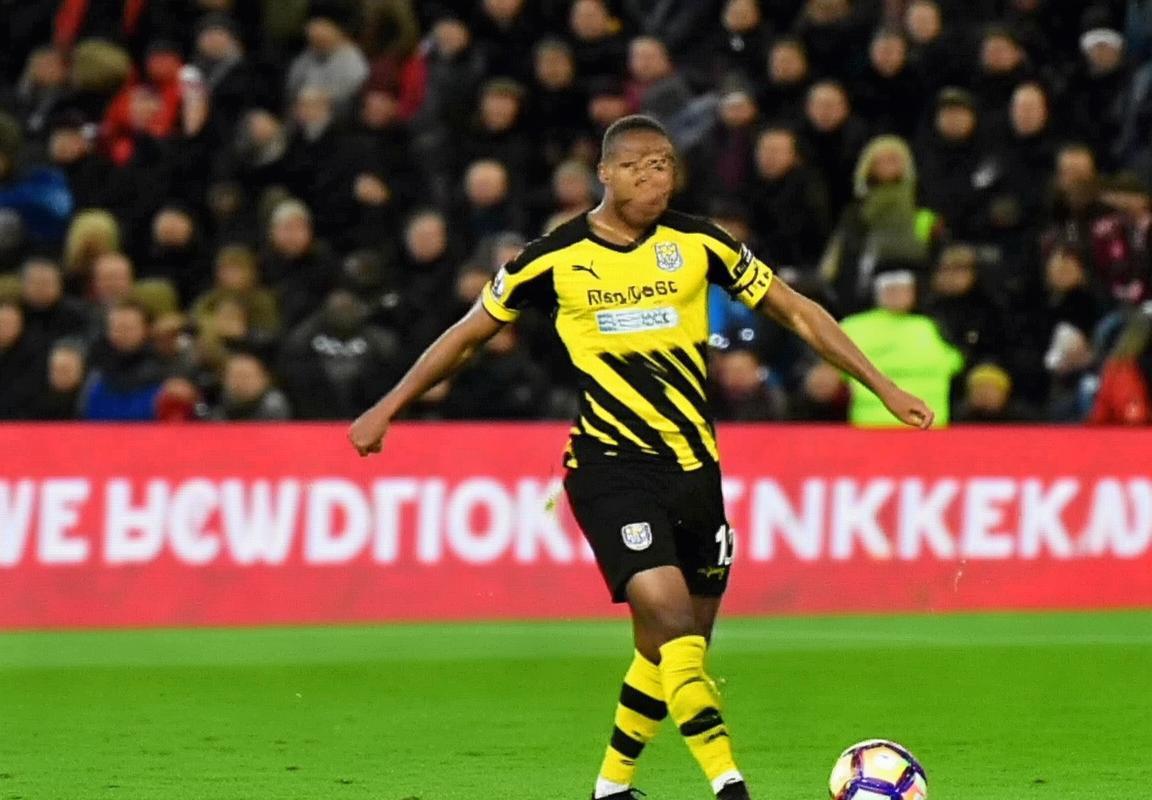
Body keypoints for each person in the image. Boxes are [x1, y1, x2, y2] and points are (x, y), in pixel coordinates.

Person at [348, 115, 934, 800]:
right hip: (609, 465)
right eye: (636, 165)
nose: (653, 178)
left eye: (663, 165)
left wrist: (882, 385)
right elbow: (468, 333)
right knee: (672, 621)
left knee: (672, 649)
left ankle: (611, 787)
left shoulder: (700, 243)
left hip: (694, 468)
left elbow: (796, 310)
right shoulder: (553, 257)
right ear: (604, 173)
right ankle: (731, 786)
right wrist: (390, 404)